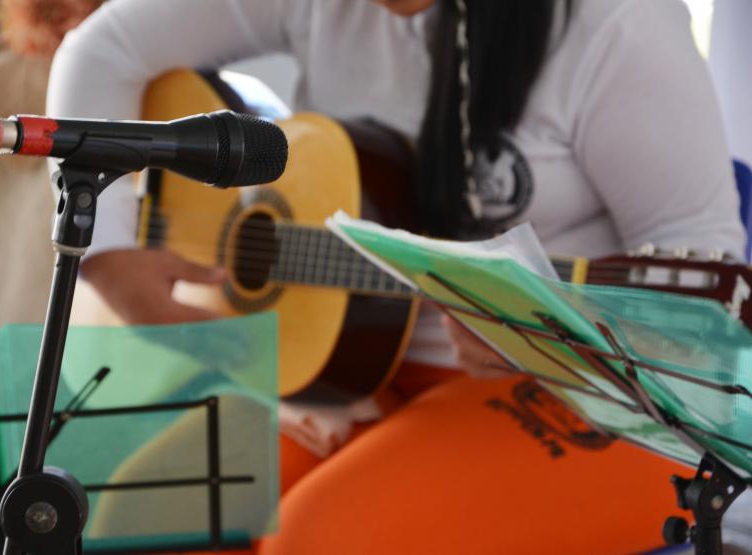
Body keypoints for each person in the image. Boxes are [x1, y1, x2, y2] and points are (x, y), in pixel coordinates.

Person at [47, 0, 747, 552]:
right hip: (344, 369)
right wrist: (110, 256)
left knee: (317, 541)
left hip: (592, 395)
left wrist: (550, 335)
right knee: (134, 523)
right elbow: (102, 48)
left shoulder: (613, 22)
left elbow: (706, 289)